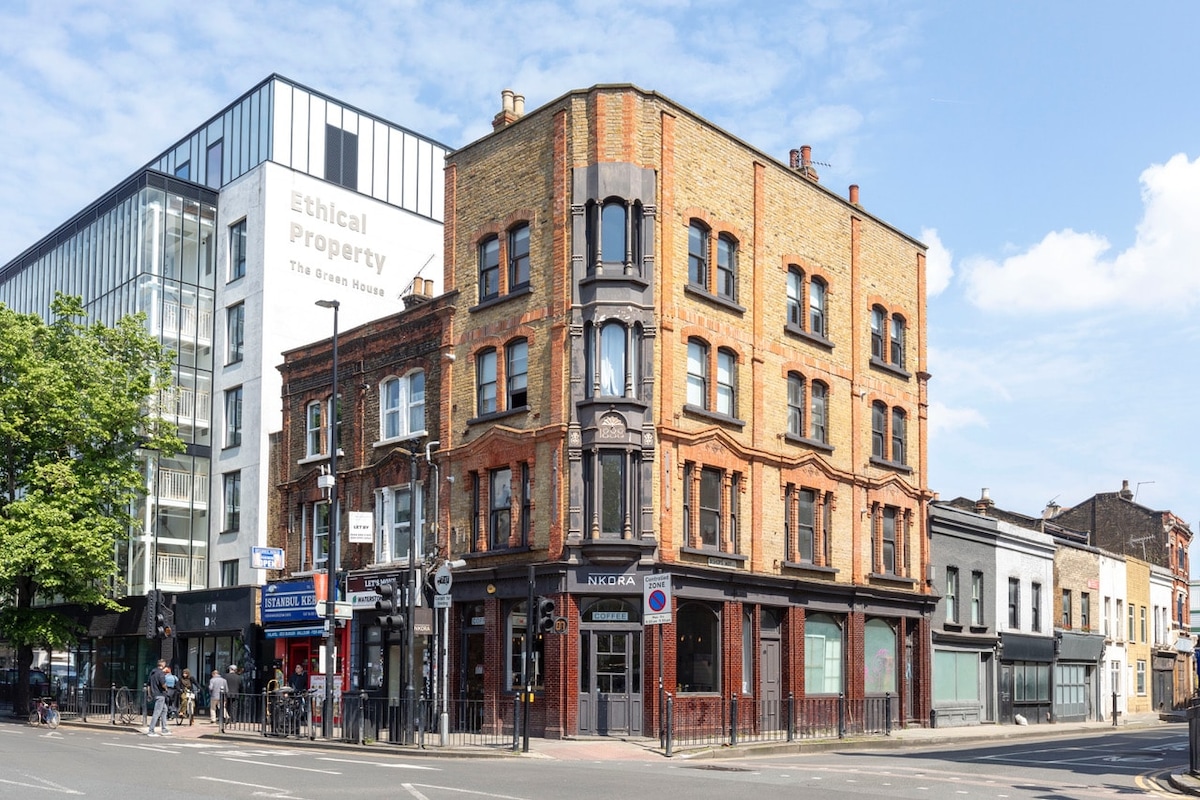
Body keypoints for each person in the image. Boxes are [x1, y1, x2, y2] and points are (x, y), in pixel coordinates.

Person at [146, 659, 171, 736]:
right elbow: (163, 684)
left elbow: (148, 685)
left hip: (155, 694)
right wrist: (166, 689)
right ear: (163, 664)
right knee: (157, 713)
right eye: (165, 664)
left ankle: (164, 729)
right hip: (160, 695)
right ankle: (151, 730)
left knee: (164, 710)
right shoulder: (161, 673)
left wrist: (149, 694)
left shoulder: (152, 672)